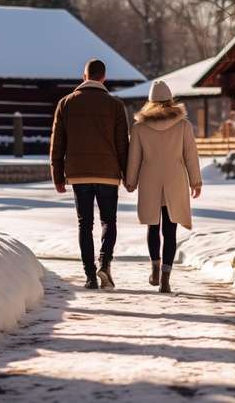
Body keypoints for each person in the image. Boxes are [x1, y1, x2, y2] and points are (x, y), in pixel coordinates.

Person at [50, 59, 129, 290]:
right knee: (109, 221)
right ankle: (104, 263)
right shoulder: (115, 106)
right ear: (103, 78)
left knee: (85, 223)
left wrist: (57, 175)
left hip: (79, 173)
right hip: (108, 173)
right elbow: (122, 145)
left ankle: (89, 276)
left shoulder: (65, 104)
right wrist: (128, 176)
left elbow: (57, 144)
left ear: (84, 77)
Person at [125, 80, 202, 293]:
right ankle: (166, 277)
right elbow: (191, 157)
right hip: (175, 179)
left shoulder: (140, 127)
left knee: (153, 226)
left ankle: (155, 268)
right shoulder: (183, 125)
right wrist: (195, 182)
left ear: (149, 101)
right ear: (170, 100)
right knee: (170, 229)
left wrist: (130, 181)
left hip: (150, 179)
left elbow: (134, 159)